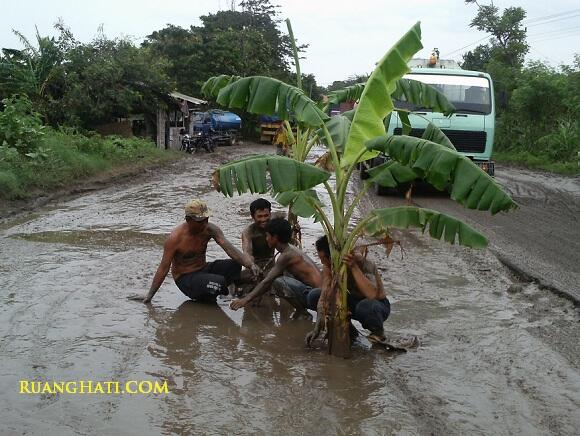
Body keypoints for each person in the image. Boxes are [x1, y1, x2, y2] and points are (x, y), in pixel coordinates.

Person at [133, 199, 261, 304]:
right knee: (218, 283)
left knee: (235, 264)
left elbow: (229, 249)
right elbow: (163, 268)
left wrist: (250, 264)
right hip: (185, 278)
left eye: (206, 219)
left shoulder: (210, 230)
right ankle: (217, 292)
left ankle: (227, 288)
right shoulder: (175, 239)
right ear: (188, 220)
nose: (205, 224)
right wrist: (149, 296)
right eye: (200, 221)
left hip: (203, 269)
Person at [230, 217, 321, 319]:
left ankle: (302, 312)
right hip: (317, 293)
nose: (266, 239)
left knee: (277, 281)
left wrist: (245, 300)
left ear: (275, 237)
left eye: (267, 236)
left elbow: (268, 281)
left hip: (317, 298)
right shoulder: (290, 249)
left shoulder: (286, 256)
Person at [306, 235, 390, 344]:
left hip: (376, 306)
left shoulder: (363, 262)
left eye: (323, 260)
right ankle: (350, 330)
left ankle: (378, 333)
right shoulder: (329, 266)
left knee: (366, 306)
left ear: (332, 257)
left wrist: (353, 267)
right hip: (352, 301)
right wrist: (317, 328)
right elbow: (324, 296)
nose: (322, 263)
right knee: (314, 295)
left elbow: (372, 295)